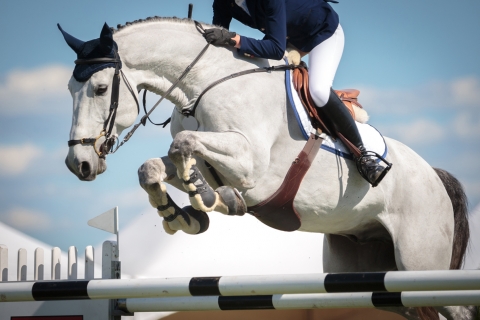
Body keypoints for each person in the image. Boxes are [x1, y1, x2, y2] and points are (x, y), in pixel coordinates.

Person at [203, 0, 391, 187]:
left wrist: (235, 39)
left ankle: (364, 156)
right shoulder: (222, 2)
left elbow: (274, 49)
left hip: (322, 34)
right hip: (289, 38)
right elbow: (220, 39)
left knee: (318, 91)